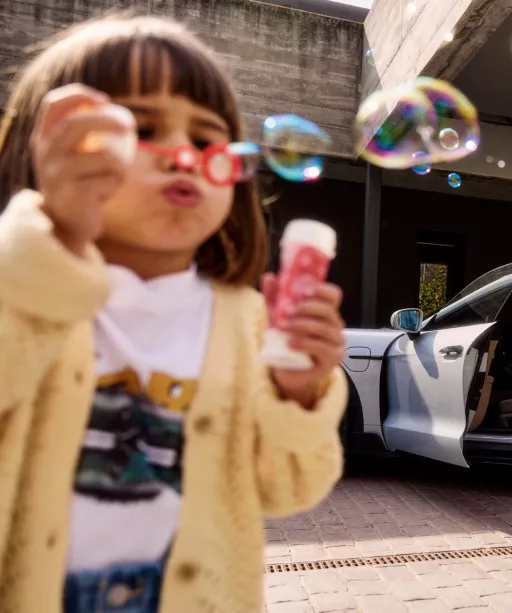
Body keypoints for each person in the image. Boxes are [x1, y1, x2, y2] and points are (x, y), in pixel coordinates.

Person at [0, 16, 347, 613]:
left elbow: (288, 487)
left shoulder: (248, 322)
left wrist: (298, 395)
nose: (186, 157)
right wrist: (43, 248)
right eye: (140, 127)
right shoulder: (22, 283)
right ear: (48, 146)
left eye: (210, 142)